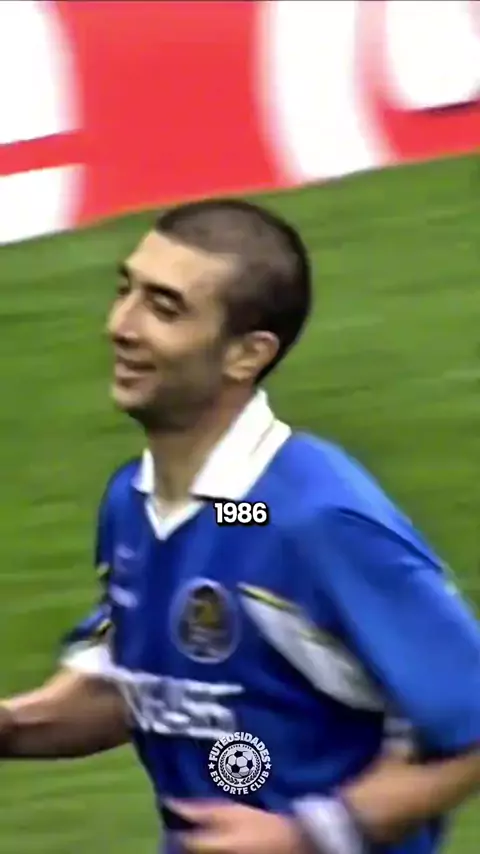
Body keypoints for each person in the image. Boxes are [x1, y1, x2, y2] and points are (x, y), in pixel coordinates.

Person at [1, 198, 480, 854]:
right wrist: (12, 724)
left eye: (164, 308)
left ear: (245, 355)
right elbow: (140, 687)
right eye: (126, 290)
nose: (120, 325)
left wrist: (311, 834)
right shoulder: (133, 503)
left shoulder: (314, 520)